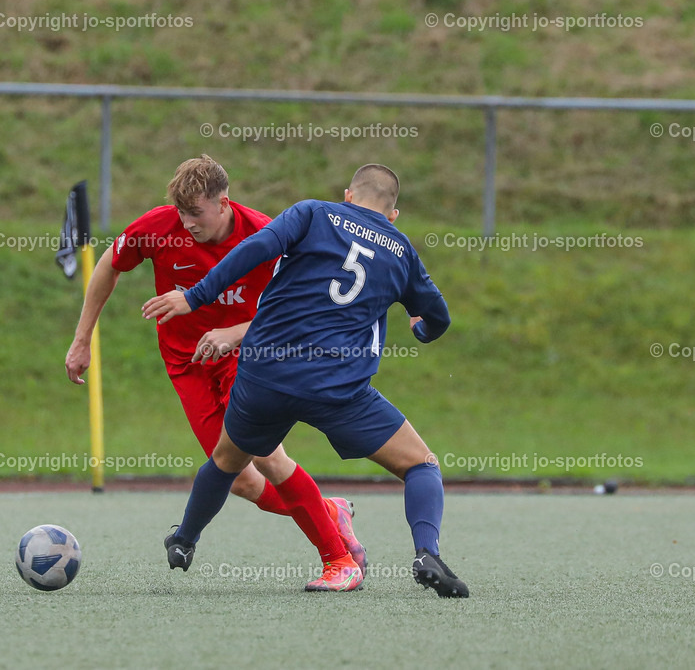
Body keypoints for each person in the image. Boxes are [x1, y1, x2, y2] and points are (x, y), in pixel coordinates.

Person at [143, 163, 469, 598]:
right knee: (420, 464)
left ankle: (184, 539)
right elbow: (439, 318)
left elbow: (254, 249)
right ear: (393, 215)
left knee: (226, 461)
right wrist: (421, 330)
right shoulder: (402, 252)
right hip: (338, 390)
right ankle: (427, 553)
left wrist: (194, 296)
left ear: (348, 196)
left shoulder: (313, 212)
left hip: (264, 377)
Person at [65, 155, 367, 592]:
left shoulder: (266, 234)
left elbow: (301, 311)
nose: (187, 223)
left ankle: (338, 560)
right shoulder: (159, 226)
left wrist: (236, 332)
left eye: (197, 213)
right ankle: (329, 509)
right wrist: (81, 339)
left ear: (224, 202)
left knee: (265, 455)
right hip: (185, 365)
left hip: (248, 357)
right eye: (182, 212)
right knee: (241, 480)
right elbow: (108, 265)